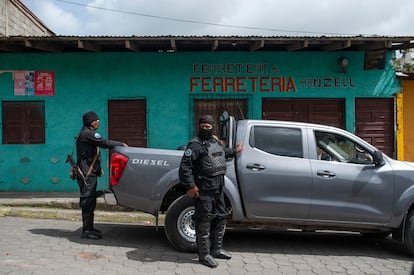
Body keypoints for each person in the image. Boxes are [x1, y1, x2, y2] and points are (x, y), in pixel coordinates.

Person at [179, 115, 243, 268]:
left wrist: (235, 150)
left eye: (209, 127)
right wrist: (191, 186)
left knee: (221, 217)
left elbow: (221, 154)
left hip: (219, 187)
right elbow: (185, 168)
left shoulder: (215, 142)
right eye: (203, 126)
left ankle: (216, 249)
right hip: (203, 189)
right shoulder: (194, 145)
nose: (206, 129)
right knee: (204, 220)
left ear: (213, 127)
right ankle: (204, 255)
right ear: (199, 126)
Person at [76, 111, 127, 239]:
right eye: (96, 120)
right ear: (90, 122)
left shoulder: (85, 132)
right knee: (87, 200)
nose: (98, 122)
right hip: (86, 174)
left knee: (91, 200)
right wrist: (120, 144)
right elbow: (104, 143)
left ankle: (90, 228)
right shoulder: (88, 133)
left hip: (88, 172)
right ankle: (86, 231)